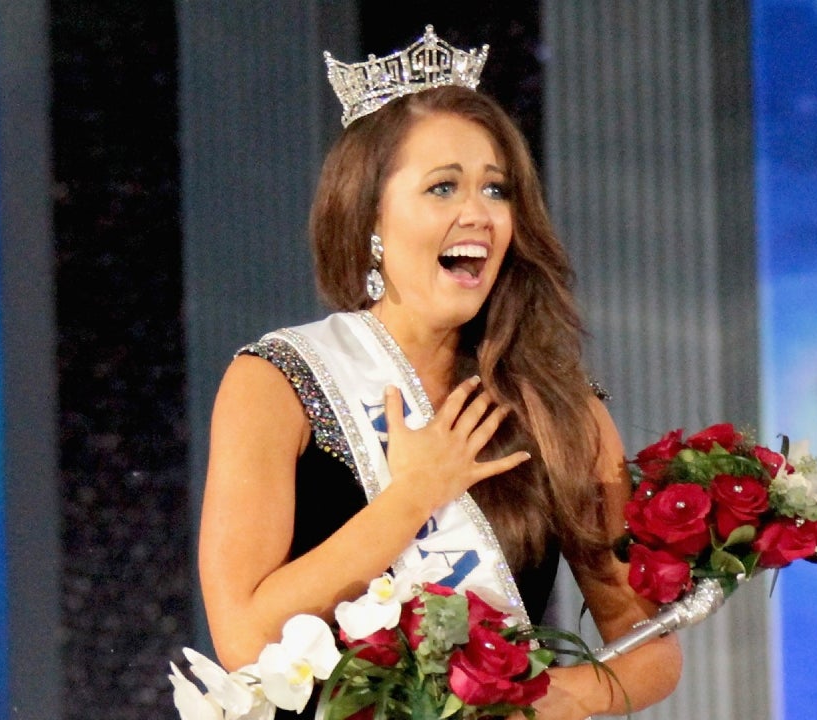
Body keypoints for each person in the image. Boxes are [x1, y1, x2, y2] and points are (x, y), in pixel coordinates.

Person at [198, 27, 682, 720]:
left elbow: (650, 648)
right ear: (368, 215)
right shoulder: (276, 382)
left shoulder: (556, 406)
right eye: (443, 187)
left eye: (495, 189)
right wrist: (411, 499)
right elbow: (244, 639)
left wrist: (541, 701)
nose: (477, 214)